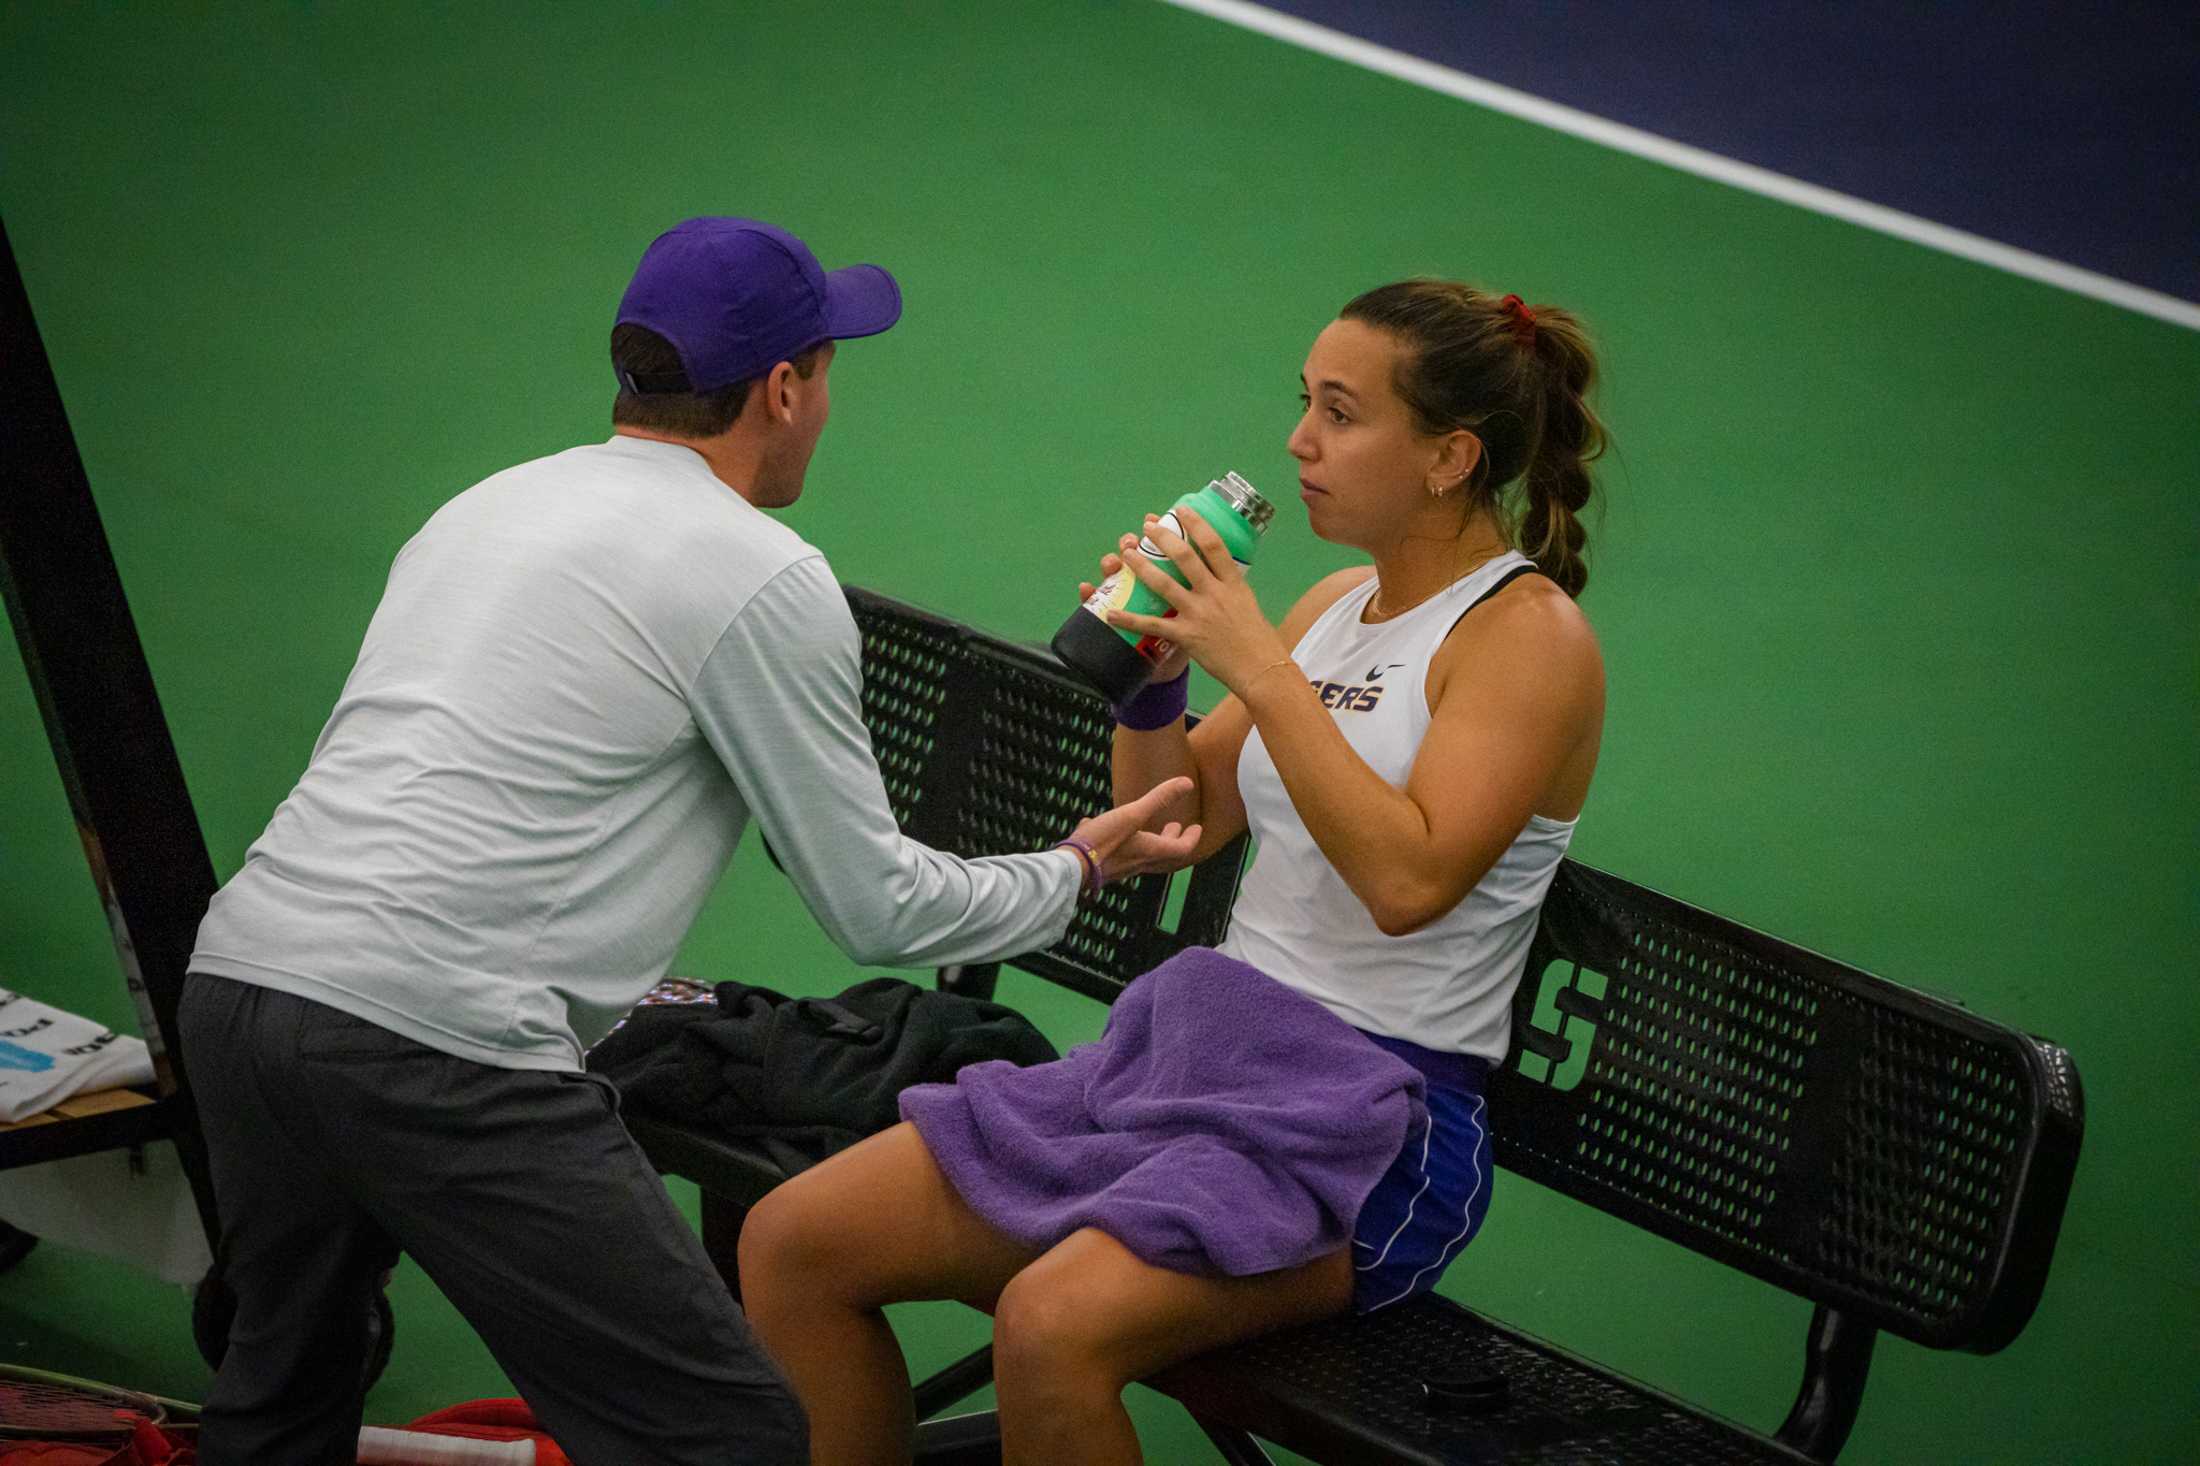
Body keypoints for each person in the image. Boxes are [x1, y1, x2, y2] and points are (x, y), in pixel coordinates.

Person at [175, 216, 1198, 1466]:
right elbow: (874, 908)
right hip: (435, 1046)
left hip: (240, 985)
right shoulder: (759, 573)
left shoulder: (488, 501)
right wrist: (1082, 867)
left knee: (277, 1401)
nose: (827, 406)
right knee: (727, 1437)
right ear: (781, 388)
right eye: (826, 372)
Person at [738, 279, 1609, 1466]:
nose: (1300, 441)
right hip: (1196, 1066)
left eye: (1343, 415)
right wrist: (1157, 675)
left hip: (1369, 1127)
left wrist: (1259, 669)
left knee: (1051, 1325)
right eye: (1305, 402)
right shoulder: (1331, 605)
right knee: (797, 1240)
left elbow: (1410, 884)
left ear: (1451, 454)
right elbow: (1176, 819)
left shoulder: (1527, 638)